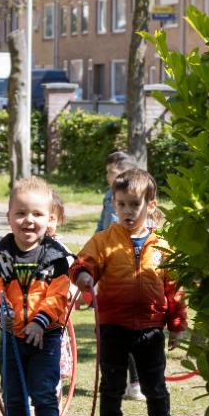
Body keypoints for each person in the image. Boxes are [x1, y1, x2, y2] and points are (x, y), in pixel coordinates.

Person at [72, 169, 187, 416]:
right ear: (113, 204)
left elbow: (175, 289)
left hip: (151, 328)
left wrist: (178, 324)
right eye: (121, 204)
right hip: (112, 326)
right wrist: (83, 274)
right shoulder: (103, 240)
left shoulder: (164, 245)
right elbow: (82, 262)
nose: (128, 211)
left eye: (135, 204)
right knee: (111, 386)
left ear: (150, 206)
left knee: (155, 387)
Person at [0, 177, 74, 416]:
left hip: (46, 337)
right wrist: (2, 310)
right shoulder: (0, 255)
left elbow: (58, 296)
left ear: (50, 219)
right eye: (21, 213)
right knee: (13, 394)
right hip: (12, 336)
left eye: (37, 213)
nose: (28, 220)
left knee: (44, 393)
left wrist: (40, 321)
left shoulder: (56, 257)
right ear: (9, 216)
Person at [94, 151, 144, 401]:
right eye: (107, 173)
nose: (107, 177)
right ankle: (122, 382)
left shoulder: (134, 200)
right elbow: (101, 228)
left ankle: (135, 383)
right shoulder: (108, 196)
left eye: (111, 173)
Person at [47, 190, 75, 416]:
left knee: (54, 376)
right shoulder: (14, 249)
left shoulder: (61, 250)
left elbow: (72, 284)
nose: (41, 223)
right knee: (22, 375)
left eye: (49, 217)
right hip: (21, 327)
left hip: (54, 327)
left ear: (57, 220)